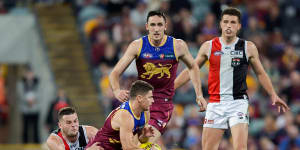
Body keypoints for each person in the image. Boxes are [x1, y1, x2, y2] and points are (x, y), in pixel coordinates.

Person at [174, 7, 289, 150]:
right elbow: (192, 69)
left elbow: (261, 73)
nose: (229, 25)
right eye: (226, 22)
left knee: (240, 147)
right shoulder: (208, 46)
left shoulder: (248, 47)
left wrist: (273, 94)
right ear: (221, 24)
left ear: (239, 26)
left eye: (233, 22)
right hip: (215, 103)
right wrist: (171, 88)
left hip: (238, 103)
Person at [109, 10, 206, 144]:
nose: (156, 29)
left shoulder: (177, 46)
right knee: (118, 141)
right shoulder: (138, 45)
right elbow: (115, 72)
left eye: (160, 25)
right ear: (146, 26)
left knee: (142, 143)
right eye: (153, 25)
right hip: (139, 102)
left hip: (162, 105)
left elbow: (193, 67)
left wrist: (199, 94)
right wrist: (116, 90)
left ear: (165, 26)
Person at [85, 80, 157, 150]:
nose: (153, 101)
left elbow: (141, 140)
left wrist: (144, 135)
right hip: (99, 147)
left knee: (153, 147)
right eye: (150, 97)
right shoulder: (125, 115)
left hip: (116, 147)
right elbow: (127, 148)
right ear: (139, 98)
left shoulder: (145, 112)